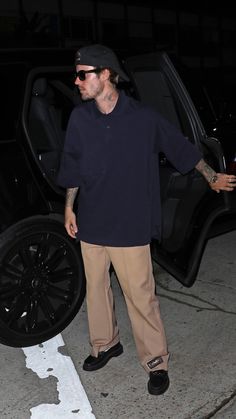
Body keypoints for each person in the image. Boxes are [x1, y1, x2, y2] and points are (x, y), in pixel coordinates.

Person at [57, 44, 236, 396]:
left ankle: (156, 362)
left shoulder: (143, 118)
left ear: (106, 74)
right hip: (91, 222)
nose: (76, 81)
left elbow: (180, 147)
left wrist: (211, 175)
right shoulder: (80, 118)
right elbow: (73, 165)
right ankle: (105, 344)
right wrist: (68, 207)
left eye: (83, 74)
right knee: (95, 291)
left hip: (129, 225)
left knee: (140, 297)